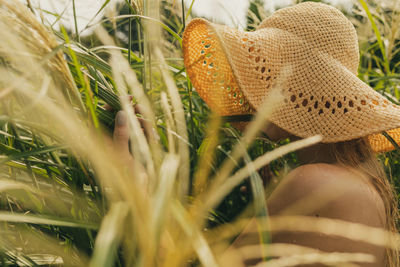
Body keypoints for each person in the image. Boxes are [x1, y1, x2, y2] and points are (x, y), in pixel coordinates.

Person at [114, 2, 400, 266]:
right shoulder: (366, 186)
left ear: (297, 87)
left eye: (266, 71)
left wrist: (132, 181)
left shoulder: (314, 183)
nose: (249, 88)